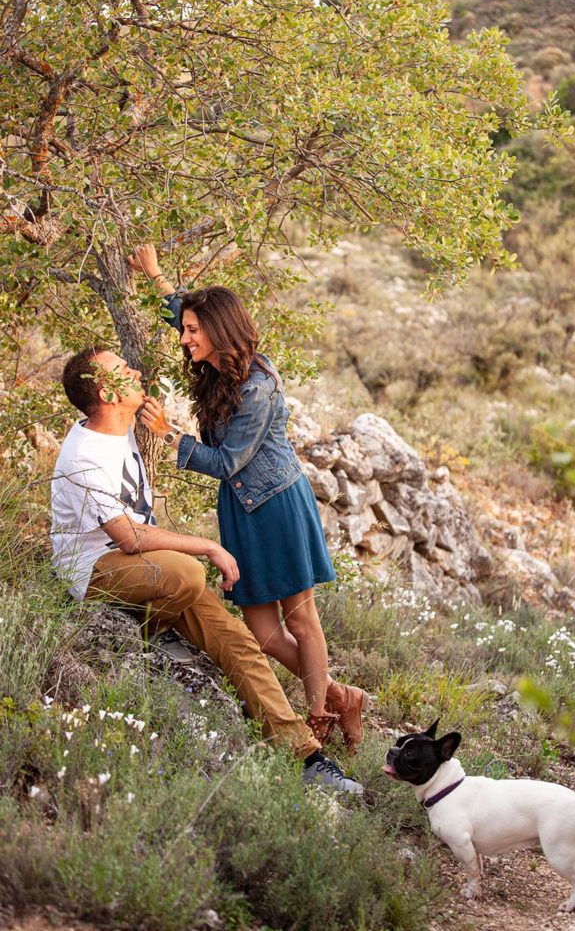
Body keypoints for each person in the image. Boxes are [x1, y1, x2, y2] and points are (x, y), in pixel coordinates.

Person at [50, 345, 363, 794]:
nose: (135, 370)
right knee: (187, 574)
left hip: (138, 567)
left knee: (237, 640)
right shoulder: (84, 454)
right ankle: (141, 628)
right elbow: (127, 536)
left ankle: (307, 754)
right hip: (94, 570)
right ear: (106, 391)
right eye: (122, 370)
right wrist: (207, 547)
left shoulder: (122, 429)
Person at [128, 244, 369, 749]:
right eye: (188, 330)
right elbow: (179, 311)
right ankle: (342, 695)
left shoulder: (258, 385)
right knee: (261, 633)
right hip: (242, 513)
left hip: (278, 507)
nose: (186, 337)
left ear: (218, 332)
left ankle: (318, 713)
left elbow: (224, 463)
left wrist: (169, 434)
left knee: (302, 619)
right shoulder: (214, 360)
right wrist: (154, 275)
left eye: (195, 331)